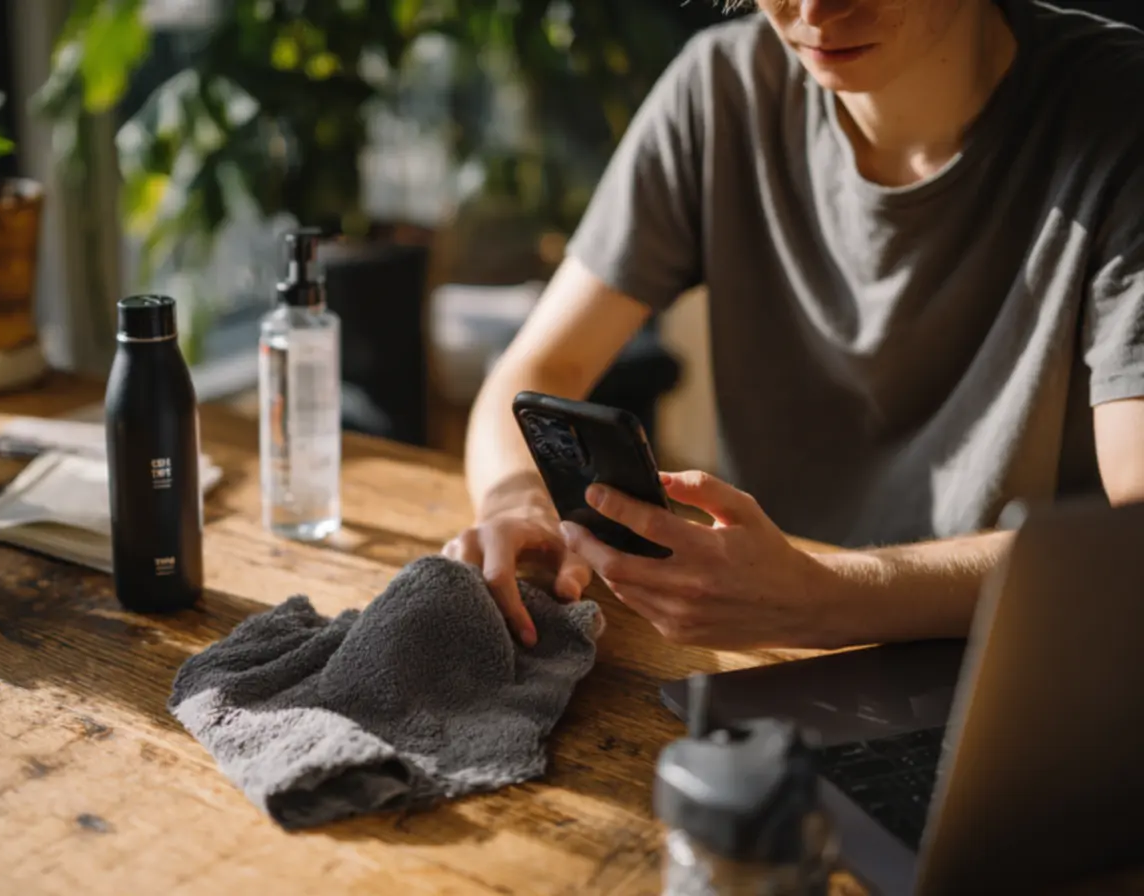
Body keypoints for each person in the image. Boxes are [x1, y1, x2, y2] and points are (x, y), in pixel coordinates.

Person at [443, 0, 1144, 651]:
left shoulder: (1119, 115)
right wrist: (521, 503)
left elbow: (1131, 536)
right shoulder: (723, 88)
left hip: (1035, 664)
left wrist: (824, 598)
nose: (811, 14)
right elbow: (537, 371)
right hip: (771, 657)